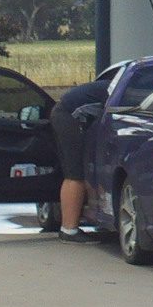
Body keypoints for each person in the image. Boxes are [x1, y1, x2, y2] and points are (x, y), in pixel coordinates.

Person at [51, 77, 108, 241]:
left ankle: (68, 227)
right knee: (75, 175)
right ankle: (69, 229)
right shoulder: (118, 88)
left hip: (63, 113)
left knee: (73, 174)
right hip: (67, 117)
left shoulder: (110, 84)